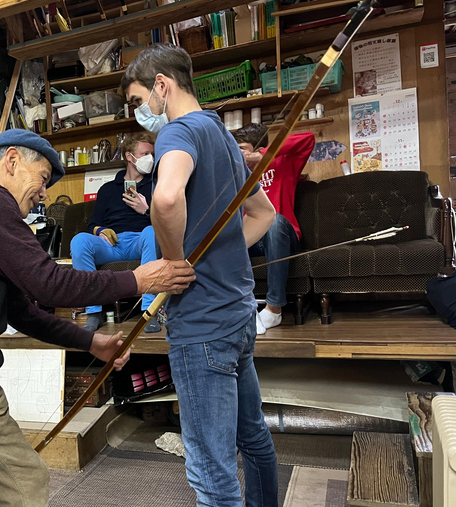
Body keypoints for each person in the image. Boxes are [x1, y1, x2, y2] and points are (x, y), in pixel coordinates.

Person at [0, 129, 195, 507]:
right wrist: (137, 279)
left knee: (24, 481)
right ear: (11, 161)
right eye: (43, 178)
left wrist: (90, 341)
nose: (45, 192)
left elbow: (21, 309)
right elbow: (48, 284)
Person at [123, 43, 278, 507]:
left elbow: (166, 200)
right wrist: (208, 255)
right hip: (237, 318)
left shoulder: (177, 133)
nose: (138, 113)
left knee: (211, 472)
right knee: (253, 440)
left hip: (203, 326)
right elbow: (263, 214)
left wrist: (175, 264)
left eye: (137, 101)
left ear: (162, 87)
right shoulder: (222, 134)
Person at [71, 132, 161, 333]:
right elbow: (93, 224)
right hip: (113, 245)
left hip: (142, 241)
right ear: (129, 156)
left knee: (151, 232)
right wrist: (101, 230)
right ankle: (94, 312)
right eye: (145, 153)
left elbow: (166, 224)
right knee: (79, 241)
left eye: (152, 154)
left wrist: (146, 210)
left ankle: (149, 310)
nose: (151, 159)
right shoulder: (107, 189)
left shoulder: (156, 186)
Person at [235, 124, 315, 333]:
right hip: (253, 241)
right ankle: (238, 309)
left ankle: (273, 309)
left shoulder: (282, 162)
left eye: (242, 148)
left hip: (282, 238)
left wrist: (262, 155)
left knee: (274, 220)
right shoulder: (238, 174)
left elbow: (308, 138)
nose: (239, 154)